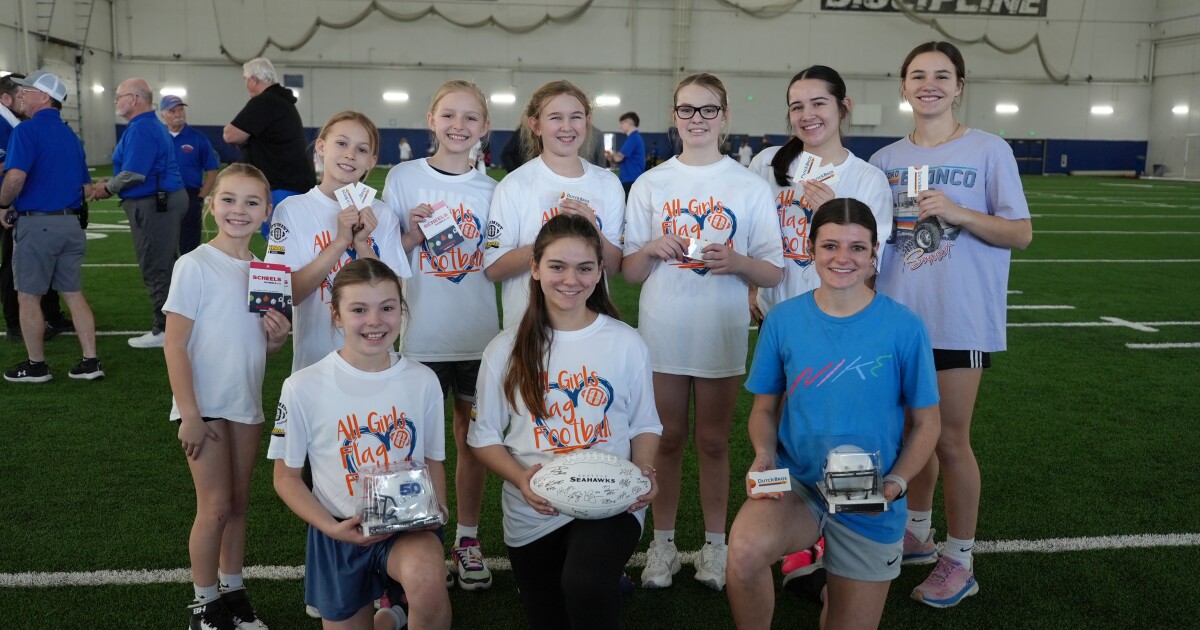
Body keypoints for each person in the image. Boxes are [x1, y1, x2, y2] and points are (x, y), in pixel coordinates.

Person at [725, 198, 942, 629]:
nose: (843, 258)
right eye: (830, 246)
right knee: (745, 552)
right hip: (799, 484)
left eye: (857, 248)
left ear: (874, 252)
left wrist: (896, 484)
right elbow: (764, 409)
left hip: (869, 492)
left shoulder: (904, 326)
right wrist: (764, 455)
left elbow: (927, 423)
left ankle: (828, 587)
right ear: (810, 249)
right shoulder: (783, 320)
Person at [870, 40, 1033, 608]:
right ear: (903, 85)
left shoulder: (990, 150)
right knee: (909, 434)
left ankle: (960, 560)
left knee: (951, 441)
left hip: (959, 319)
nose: (929, 84)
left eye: (942, 75)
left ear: (959, 85)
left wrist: (959, 211)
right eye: (918, 75)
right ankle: (917, 528)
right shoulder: (885, 160)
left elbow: (1020, 232)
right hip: (895, 319)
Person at [622, 73, 783, 591]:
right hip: (663, 329)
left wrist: (737, 261)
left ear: (725, 115)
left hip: (721, 330)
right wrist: (650, 249)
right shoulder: (651, 183)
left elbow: (775, 271)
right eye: (687, 110)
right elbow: (629, 272)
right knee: (665, 441)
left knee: (713, 442)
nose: (697, 119)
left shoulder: (749, 186)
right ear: (674, 115)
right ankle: (662, 545)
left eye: (707, 110)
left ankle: (716, 547)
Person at [468, 213, 662, 630]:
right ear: (535, 269)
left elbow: (646, 423)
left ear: (599, 273)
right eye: (557, 266)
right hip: (534, 505)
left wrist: (643, 473)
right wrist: (521, 480)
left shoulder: (626, 341)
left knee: (585, 583)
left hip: (612, 499)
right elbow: (483, 437)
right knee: (550, 615)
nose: (570, 279)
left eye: (584, 268)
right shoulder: (504, 350)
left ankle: (600, 577)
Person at [268, 258, 452, 629]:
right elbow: (285, 478)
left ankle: (402, 606)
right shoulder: (302, 386)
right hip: (339, 530)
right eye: (358, 309)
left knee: (429, 584)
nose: (375, 321)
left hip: (407, 528)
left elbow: (433, 459)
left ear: (401, 311)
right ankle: (390, 617)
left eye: (387, 308)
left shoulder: (423, 380)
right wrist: (330, 527)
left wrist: (440, 509)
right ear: (336, 316)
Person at [383, 80, 499, 592]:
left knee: (473, 441)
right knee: (412, 446)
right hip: (420, 337)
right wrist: (409, 233)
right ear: (431, 119)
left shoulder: (494, 190)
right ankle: (418, 540)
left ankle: (467, 539)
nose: (459, 126)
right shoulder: (404, 178)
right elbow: (386, 257)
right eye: (449, 115)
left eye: (471, 118)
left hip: (478, 339)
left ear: (485, 129)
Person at [163, 163, 290, 630]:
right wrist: (190, 414)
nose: (240, 210)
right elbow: (175, 344)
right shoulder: (194, 264)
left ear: (266, 212)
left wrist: (275, 340)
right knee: (214, 507)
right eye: (230, 199)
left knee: (238, 506)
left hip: (245, 404)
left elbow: (259, 345)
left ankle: (233, 592)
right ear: (211, 203)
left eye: (252, 202)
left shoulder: (265, 271)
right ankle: (203, 603)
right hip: (206, 405)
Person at [265, 111, 410, 374]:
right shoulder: (292, 210)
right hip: (316, 363)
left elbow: (396, 297)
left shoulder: (382, 214)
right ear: (321, 146)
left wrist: (363, 245)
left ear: (371, 161)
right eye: (341, 143)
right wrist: (340, 242)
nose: (350, 154)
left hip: (375, 361)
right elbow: (288, 295)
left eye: (361, 149)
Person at [748, 65, 893, 323]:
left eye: (818, 104)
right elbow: (748, 237)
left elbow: (871, 265)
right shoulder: (766, 164)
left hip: (835, 317)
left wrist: (833, 214)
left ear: (843, 106)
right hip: (774, 317)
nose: (807, 115)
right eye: (797, 107)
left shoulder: (869, 179)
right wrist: (750, 289)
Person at [483, 80, 625, 330]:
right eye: (556, 118)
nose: (567, 127)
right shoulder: (515, 185)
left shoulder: (607, 184)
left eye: (576, 117)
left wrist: (593, 232)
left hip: (590, 327)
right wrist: (551, 244)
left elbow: (614, 266)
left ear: (587, 122)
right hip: (529, 329)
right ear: (535, 125)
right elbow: (494, 269)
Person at [1, 70, 102, 383]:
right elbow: (86, 187)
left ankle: (36, 366)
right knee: (73, 293)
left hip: (37, 225)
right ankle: (90, 361)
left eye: (27, 91)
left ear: (44, 97)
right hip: (70, 223)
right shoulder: (72, 137)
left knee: (28, 297)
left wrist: (2, 204)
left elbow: (16, 177)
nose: (21, 95)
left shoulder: (27, 132)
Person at [91, 77, 188, 349]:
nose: (116, 102)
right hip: (162, 200)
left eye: (119, 96)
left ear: (133, 99)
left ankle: (165, 329)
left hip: (154, 203)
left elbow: (134, 173)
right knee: (165, 264)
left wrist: (106, 188)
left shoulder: (142, 128)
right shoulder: (147, 126)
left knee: (156, 266)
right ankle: (174, 324)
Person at [0, 72, 72, 342]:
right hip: (10, 206)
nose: (23, 97)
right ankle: (16, 324)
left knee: (41, 265)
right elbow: (14, 171)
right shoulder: (9, 125)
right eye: (21, 92)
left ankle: (50, 314)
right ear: (7, 98)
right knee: (12, 266)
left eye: (27, 92)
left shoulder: (22, 125)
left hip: (23, 205)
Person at [223, 57, 315, 237]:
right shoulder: (281, 102)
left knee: (279, 245)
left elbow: (230, 134)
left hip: (282, 187)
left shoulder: (265, 101)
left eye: (245, 79)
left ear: (253, 79)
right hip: (294, 184)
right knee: (293, 242)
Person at [160, 94, 219, 255]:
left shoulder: (198, 138)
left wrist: (201, 197)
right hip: (162, 195)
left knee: (189, 245)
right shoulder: (157, 138)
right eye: (173, 111)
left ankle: (189, 277)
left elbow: (212, 171)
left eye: (180, 110)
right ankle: (168, 278)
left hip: (190, 195)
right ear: (162, 115)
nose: (178, 114)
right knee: (164, 242)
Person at [606, 111, 645, 197]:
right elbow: (620, 159)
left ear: (629, 122)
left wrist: (612, 154)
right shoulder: (634, 138)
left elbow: (618, 158)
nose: (621, 126)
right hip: (631, 179)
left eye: (622, 123)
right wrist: (612, 157)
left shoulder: (633, 138)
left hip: (631, 180)